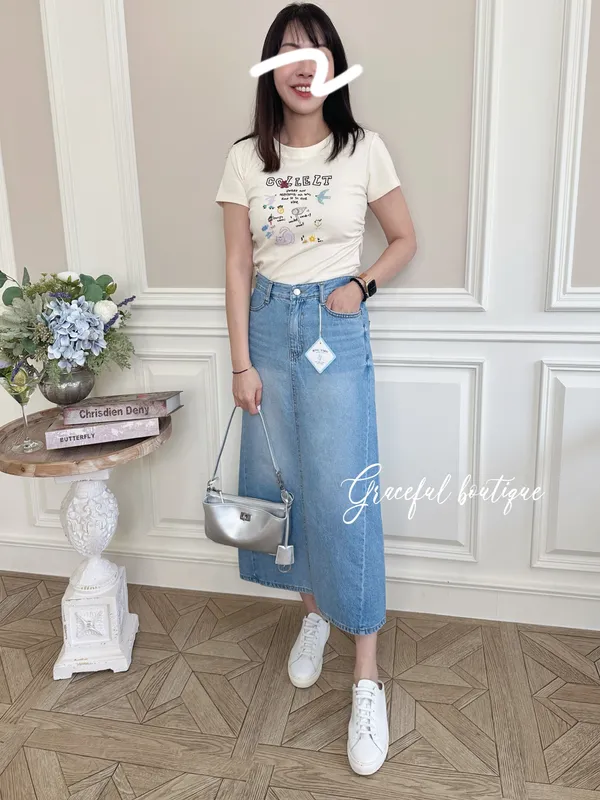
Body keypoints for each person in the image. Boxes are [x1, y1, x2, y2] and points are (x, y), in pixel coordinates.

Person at [215, 1, 416, 776]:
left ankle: (366, 674)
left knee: (343, 492)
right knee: (284, 483)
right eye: (289, 53)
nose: (304, 66)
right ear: (271, 68)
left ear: (335, 68)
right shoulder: (245, 158)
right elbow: (237, 264)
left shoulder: (363, 149)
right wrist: (241, 363)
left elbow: (404, 239)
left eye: (318, 52)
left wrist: (361, 286)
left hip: (335, 324)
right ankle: (313, 616)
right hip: (267, 328)